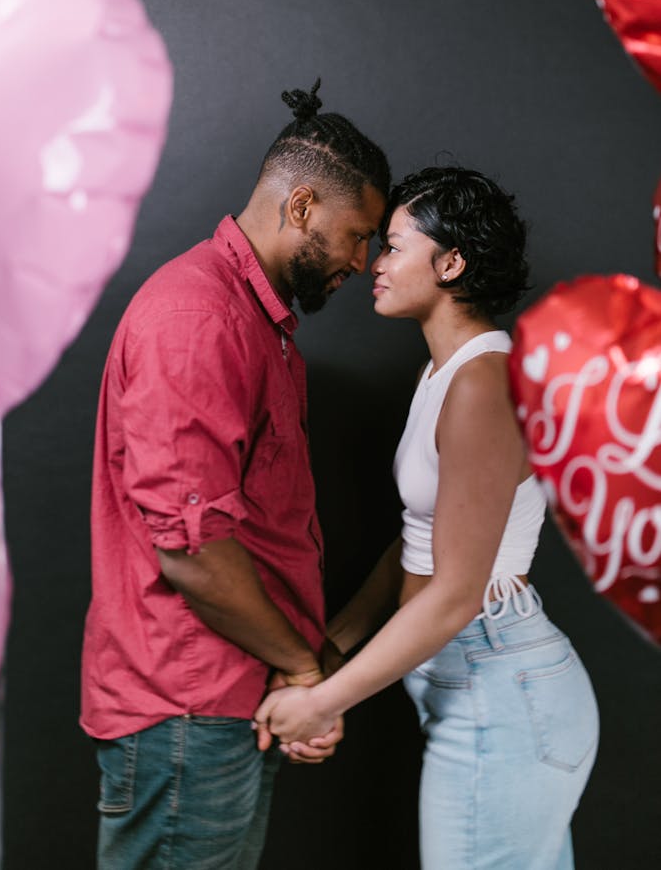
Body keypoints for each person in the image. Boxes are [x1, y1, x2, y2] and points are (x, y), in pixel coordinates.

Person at [80, 79, 390, 869]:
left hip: (231, 703)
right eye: (358, 235)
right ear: (300, 208)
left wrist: (293, 676)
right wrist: (301, 667)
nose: (363, 261)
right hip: (187, 712)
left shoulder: (259, 324)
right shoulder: (200, 321)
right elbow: (192, 550)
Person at [255, 166, 600, 870]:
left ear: (450, 263)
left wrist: (323, 703)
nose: (373, 264)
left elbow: (456, 591)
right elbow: (415, 550)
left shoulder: (483, 382)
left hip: (502, 689)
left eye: (393, 246)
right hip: (477, 685)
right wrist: (330, 649)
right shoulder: (442, 374)